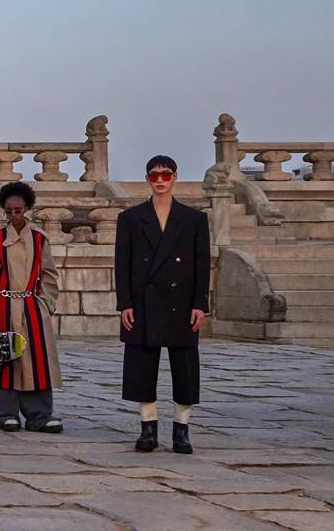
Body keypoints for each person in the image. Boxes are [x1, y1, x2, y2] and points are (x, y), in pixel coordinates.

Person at [115, 155, 210, 454]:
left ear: (175, 177)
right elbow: (123, 264)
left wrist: (200, 304)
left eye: (165, 175)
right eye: (154, 175)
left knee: (185, 368)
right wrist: (125, 303)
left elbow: (201, 264)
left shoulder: (194, 219)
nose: (160, 180)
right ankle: (148, 428)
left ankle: (182, 430)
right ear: (147, 179)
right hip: (143, 302)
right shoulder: (130, 219)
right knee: (142, 367)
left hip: (181, 302)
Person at [0, 182, 62, 433]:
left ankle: (40, 414)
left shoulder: (40, 239)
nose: (13, 215)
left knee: (37, 361)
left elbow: (50, 275)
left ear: (27, 209)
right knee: (3, 360)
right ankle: (5, 413)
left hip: (32, 307)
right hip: (3, 307)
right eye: (9, 211)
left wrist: (47, 303)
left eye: (18, 210)